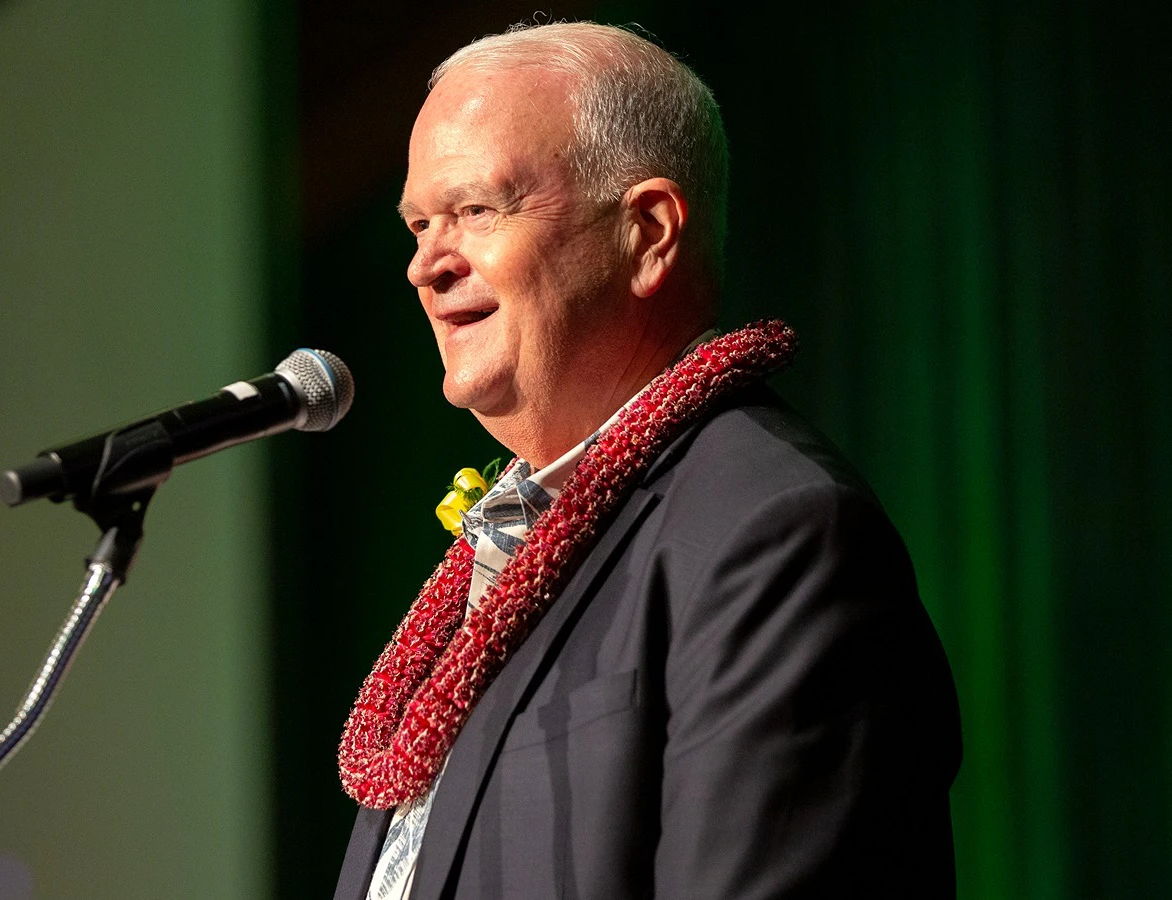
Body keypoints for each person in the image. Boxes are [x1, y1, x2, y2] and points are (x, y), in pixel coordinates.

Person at [333, 22, 961, 900]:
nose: (424, 266)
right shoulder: (507, 544)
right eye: (418, 223)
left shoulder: (775, 535)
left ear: (649, 232)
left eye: (476, 210)